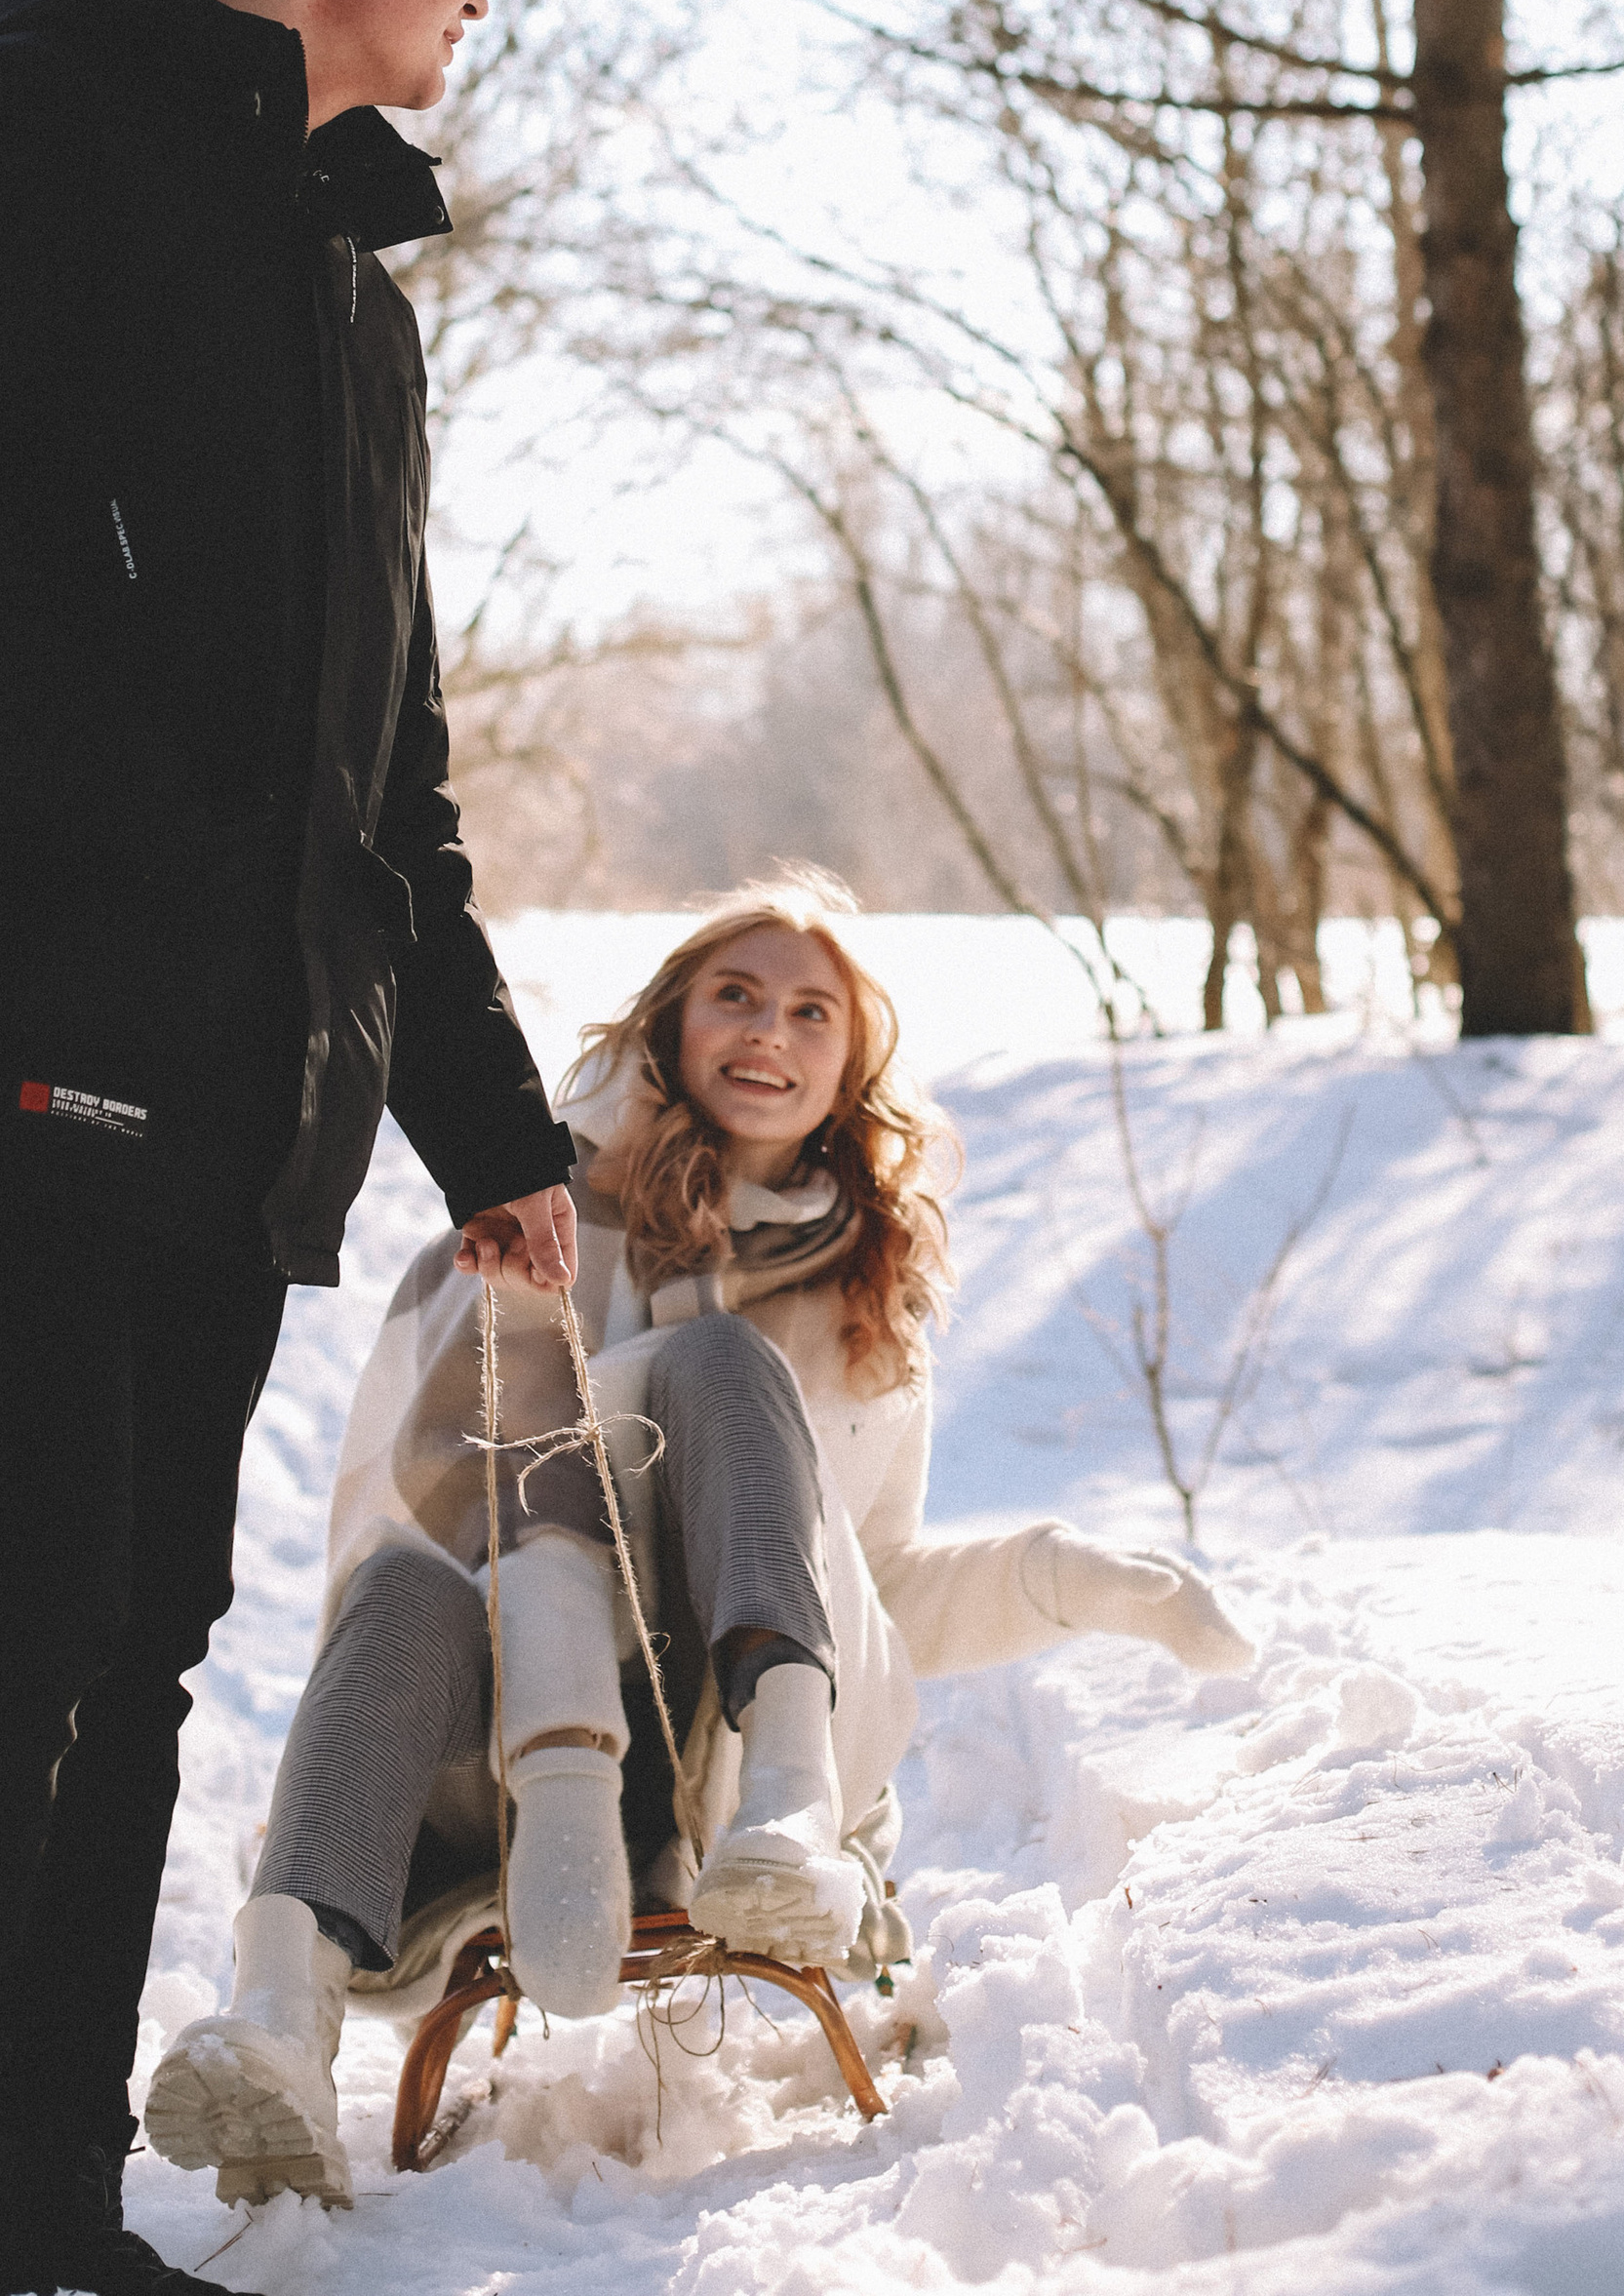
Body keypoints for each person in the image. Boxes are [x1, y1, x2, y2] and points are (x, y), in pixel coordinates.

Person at [0, 0, 580, 2296]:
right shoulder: (19, 141)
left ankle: (41, 2222)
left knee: (142, 1633)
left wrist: (490, 1121)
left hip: (243, 1077)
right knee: (26, 1579)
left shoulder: (353, 301)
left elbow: (387, 781)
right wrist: (162, 831)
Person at [142, 878, 1251, 2209]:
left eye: (809, 1010)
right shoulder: (528, 1220)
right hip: (509, 1745)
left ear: (852, 1065)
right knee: (399, 1581)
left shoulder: (865, 1303)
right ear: (670, 1024)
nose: (767, 1030)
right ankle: (279, 2019)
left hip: (730, 1753)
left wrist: (1068, 1581)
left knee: (719, 1363)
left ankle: (787, 1820)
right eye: (735, 994)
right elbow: (429, 1496)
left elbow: (878, 1584)